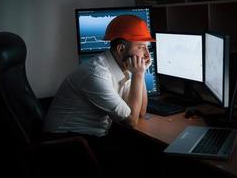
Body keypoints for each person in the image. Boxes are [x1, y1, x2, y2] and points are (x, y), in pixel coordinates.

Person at [43, 15, 156, 176]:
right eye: (141, 46)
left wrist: (141, 73)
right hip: (66, 144)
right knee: (141, 161)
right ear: (121, 49)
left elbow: (141, 112)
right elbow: (131, 121)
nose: (146, 54)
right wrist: (137, 75)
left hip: (90, 137)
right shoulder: (96, 74)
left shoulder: (120, 68)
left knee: (145, 151)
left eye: (147, 47)